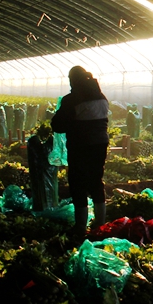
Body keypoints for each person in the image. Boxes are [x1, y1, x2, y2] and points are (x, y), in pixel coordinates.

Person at [51, 66, 109, 235]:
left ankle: (80, 227)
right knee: (96, 181)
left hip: (81, 146)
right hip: (100, 144)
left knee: (78, 183)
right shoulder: (101, 97)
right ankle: (100, 223)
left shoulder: (73, 99)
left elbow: (57, 125)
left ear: (73, 80)